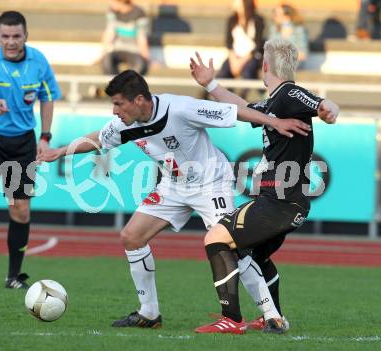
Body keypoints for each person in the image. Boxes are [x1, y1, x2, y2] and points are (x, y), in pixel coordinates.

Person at [38, 69, 312, 328]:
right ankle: (149, 313)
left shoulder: (180, 108)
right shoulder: (124, 124)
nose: (115, 111)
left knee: (233, 245)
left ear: (139, 100)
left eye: (119, 104)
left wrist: (274, 121)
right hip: (173, 185)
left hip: (210, 184)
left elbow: (233, 111)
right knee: (132, 236)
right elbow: (99, 138)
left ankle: (272, 316)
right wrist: (60, 151)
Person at [190, 38, 339, 334]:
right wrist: (211, 84)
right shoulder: (276, 102)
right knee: (256, 255)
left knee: (215, 238)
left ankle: (231, 319)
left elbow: (317, 102)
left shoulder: (288, 94)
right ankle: (274, 318)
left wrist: (328, 108)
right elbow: (244, 108)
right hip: (288, 202)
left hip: (279, 202)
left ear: (265, 66)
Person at [0, 11, 61, 289]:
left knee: (20, 210)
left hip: (21, 143)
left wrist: (45, 137)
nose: (11, 41)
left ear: (25, 36)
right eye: (5, 36)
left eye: (16, 36)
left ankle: (13, 277)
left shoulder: (38, 61)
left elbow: (48, 98)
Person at [215, 0, 264, 98]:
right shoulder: (232, 19)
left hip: (251, 56)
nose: (234, 3)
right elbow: (229, 42)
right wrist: (233, 60)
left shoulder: (258, 20)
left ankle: (242, 100)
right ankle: (226, 98)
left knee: (248, 73)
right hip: (234, 56)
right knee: (222, 75)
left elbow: (258, 44)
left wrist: (242, 61)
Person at [101, 0, 150, 76]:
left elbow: (141, 38)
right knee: (106, 62)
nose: (111, 2)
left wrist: (146, 58)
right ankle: (115, 86)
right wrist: (103, 54)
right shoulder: (112, 12)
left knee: (139, 67)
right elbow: (109, 34)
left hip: (134, 50)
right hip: (115, 50)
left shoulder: (139, 13)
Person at [268, 4, 309, 68]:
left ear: (287, 16)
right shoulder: (274, 29)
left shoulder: (298, 30)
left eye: (276, 14)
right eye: (274, 13)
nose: (274, 16)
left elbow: (302, 53)